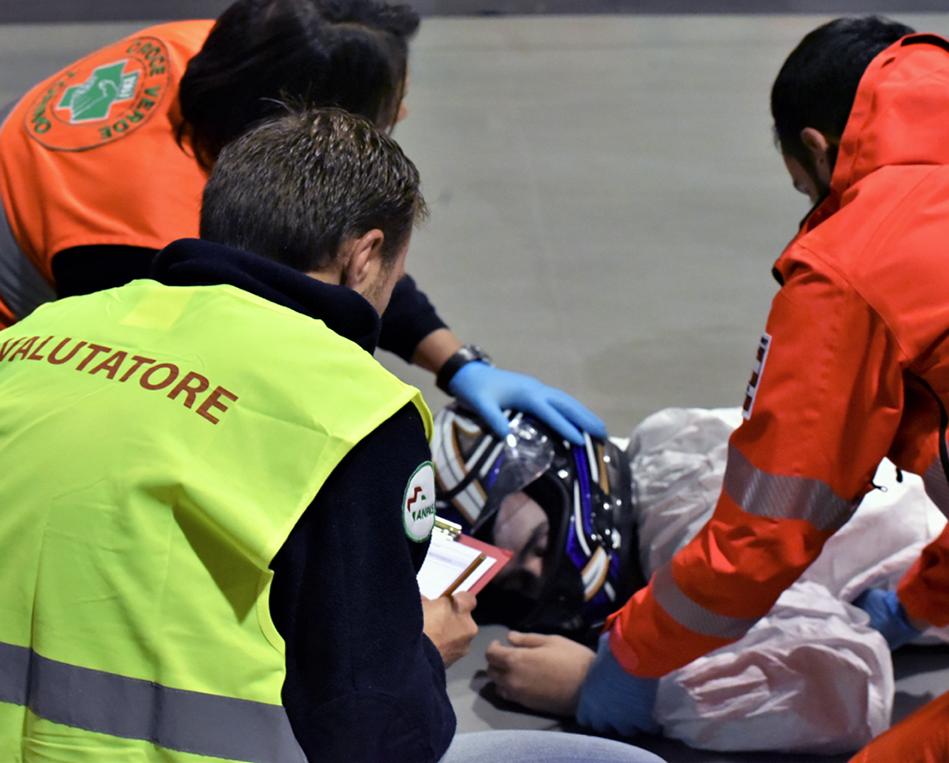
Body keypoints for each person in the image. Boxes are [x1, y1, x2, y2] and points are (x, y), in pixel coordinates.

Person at [491, 15, 949, 761]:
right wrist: (907, 607)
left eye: (804, 188)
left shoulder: (856, 258)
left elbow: (760, 537)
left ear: (815, 148)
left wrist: (630, 657)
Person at [0, 106, 667, 763]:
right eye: (396, 276)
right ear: (366, 257)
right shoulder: (352, 414)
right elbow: (372, 732)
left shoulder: (38, 334)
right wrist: (421, 653)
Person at [0, 0, 603, 448]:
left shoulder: (218, 52)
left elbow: (334, 240)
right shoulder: (155, 240)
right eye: (390, 107)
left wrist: (458, 364)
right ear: (302, 122)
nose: (404, 118)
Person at [438, 403, 949, 754]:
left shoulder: (684, 514)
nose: (542, 574)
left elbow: (845, 684)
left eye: (538, 545)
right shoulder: (660, 450)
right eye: (520, 584)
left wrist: (615, 688)